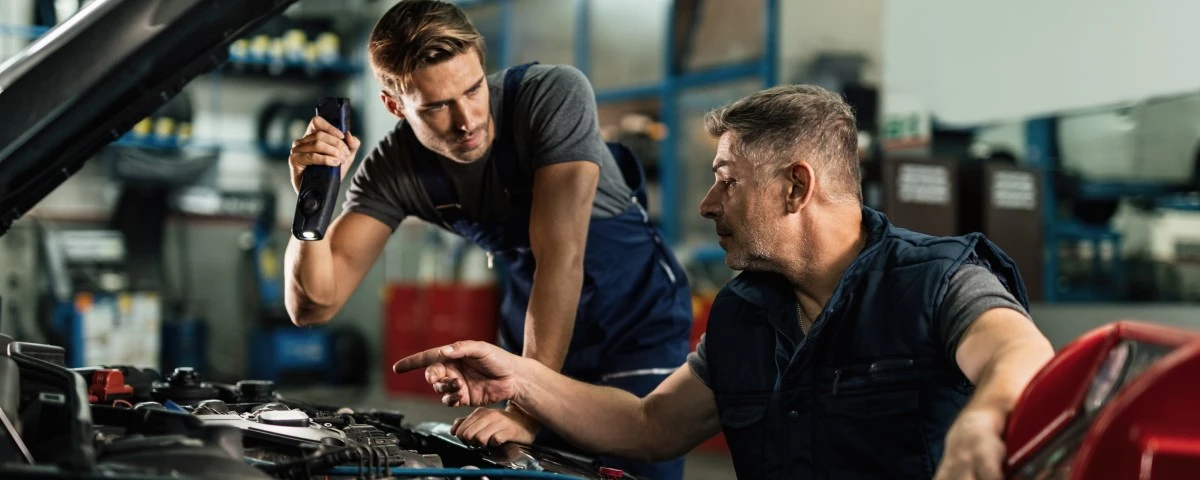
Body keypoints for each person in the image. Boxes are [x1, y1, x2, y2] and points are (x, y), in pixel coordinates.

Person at [393, 84, 1057, 479]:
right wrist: (519, 375)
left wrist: (985, 419)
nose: (709, 204)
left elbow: (1018, 352)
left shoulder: (934, 280)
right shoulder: (745, 314)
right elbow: (650, 424)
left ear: (796, 186)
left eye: (727, 180)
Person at [282, 1, 692, 478]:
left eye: (474, 89)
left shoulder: (550, 97)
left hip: (634, 320)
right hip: (535, 328)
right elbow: (313, 306)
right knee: (533, 471)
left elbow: (560, 257)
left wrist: (525, 406)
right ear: (394, 105)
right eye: (436, 106)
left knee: (633, 467)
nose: (467, 120)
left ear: (483, 64)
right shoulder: (393, 170)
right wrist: (313, 195)